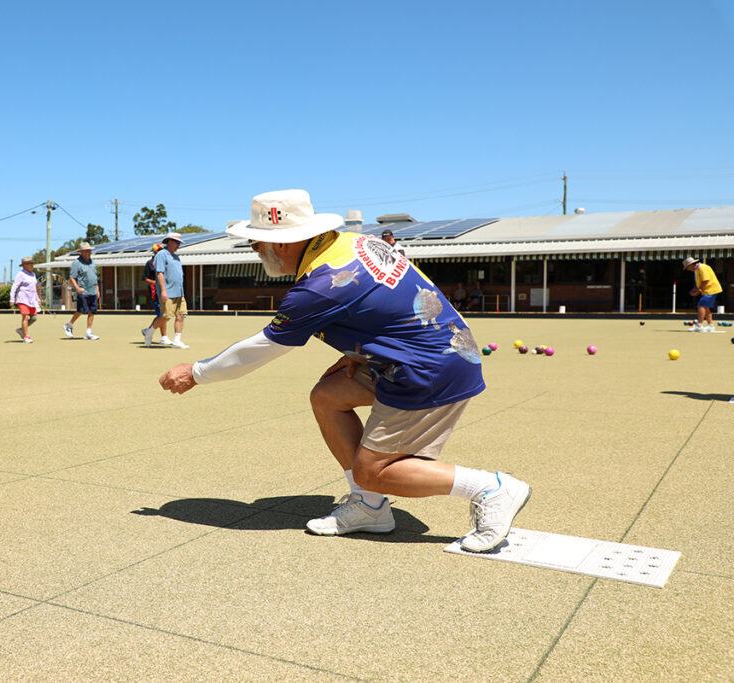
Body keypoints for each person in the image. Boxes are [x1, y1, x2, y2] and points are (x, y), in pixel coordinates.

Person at [159, 189, 531, 553]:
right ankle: (369, 507)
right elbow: (391, 305)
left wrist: (196, 372)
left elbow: (259, 350)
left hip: (426, 369)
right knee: (328, 397)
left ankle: (490, 488)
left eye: (256, 244)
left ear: (283, 243)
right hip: (437, 351)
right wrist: (362, 351)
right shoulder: (354, 243)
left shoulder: (319, 286)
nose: (256, 252)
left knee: (375, 471)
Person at [154, 232, 189, 349]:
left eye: (179, 243)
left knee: (181, 315)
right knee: (166, 317)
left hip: (179, 293)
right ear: (170, 242)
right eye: (177, 242)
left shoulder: (176, 257)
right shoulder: (161, 254)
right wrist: (163, 291)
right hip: (168, 292)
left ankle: (177, 341)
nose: (179, 245)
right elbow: (160, 273)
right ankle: (149, 330)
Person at [64, 242, 101, 340]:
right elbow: (72, 277)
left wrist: (97, 288)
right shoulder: (76, 263)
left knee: (92, 311)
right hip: (83, 291)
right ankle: (69, 325)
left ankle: (88, 332)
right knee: (81, 310)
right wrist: (77, 288)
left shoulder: (92, 262)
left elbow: (95, 276)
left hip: (93, 291)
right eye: (87, 251)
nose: (89, 252)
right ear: (81, 252)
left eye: (90, 250)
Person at [683, 256, 723, 332]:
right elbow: (701, 282)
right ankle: (710, 325)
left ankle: (700, 325)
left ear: (691, 265)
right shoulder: (698, 269)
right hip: (709, 290)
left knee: (701, 306)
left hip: (711, 289)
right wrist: (695, 289)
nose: (688, 269)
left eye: (687, 267)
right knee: (706, 307)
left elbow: (706, 280)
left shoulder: (702, 268)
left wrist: (698, 290)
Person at [141, 243, 169, 346]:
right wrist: (155, 283)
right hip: (155, 292)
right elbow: (144, 278)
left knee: (164, 314)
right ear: (155, 251)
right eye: (159, 250)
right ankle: (163, 337)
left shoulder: (165, 261)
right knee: (162, 314)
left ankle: (148, 330)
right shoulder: (150, 263)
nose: (161, 251)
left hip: (165, 290)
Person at [9, 257, 40, 343]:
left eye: (32, 264)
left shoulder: (33, 274)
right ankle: (26, 336)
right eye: (29, 264)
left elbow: (34, 288)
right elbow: (14, 286)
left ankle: (20, 330)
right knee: (25, 317)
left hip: (32, 300)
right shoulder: (20, 274)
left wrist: (37, 298)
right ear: (24, 265)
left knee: (34, 318)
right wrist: (12, 299)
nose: (31, 265)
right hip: (23, 299)